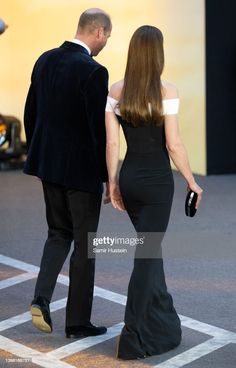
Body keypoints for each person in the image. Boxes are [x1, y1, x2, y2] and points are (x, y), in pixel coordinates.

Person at [105, 25, 203, 360]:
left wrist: (113, 183)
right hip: (159, 184)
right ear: (157, 54)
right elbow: (173, 144)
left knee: (151, 249)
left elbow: (112, 142)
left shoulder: (117, 90)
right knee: (147, 253)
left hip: (130, 180)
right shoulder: (168, 90)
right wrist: (191, 180)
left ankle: (162, 324)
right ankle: (132, 333)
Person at [24, 8, 112, 338]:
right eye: (107, 37)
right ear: (99, 32)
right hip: (81, 173)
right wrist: (108, 178)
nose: (105, 43)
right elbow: (97, 131)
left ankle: (40, 298)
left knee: (57, 233)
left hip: (48, 165)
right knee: (85, 244)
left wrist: (37, 153)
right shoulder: (94, 71)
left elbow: (30, 112)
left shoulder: (44, 59)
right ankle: (77, 322)